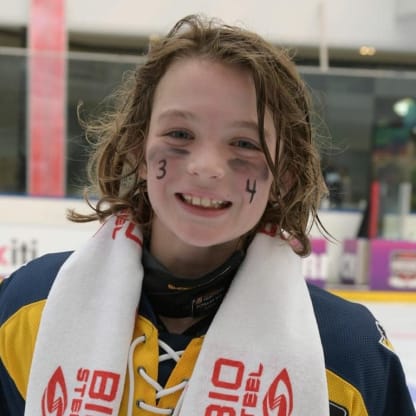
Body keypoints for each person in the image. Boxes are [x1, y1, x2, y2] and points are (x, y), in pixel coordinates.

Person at [0, 14, 414, 416]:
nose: (206, 167)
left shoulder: (349, 356)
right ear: (138, 151)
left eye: (245, 143)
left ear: (284, 176)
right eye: (180, 134)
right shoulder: (28, 307)